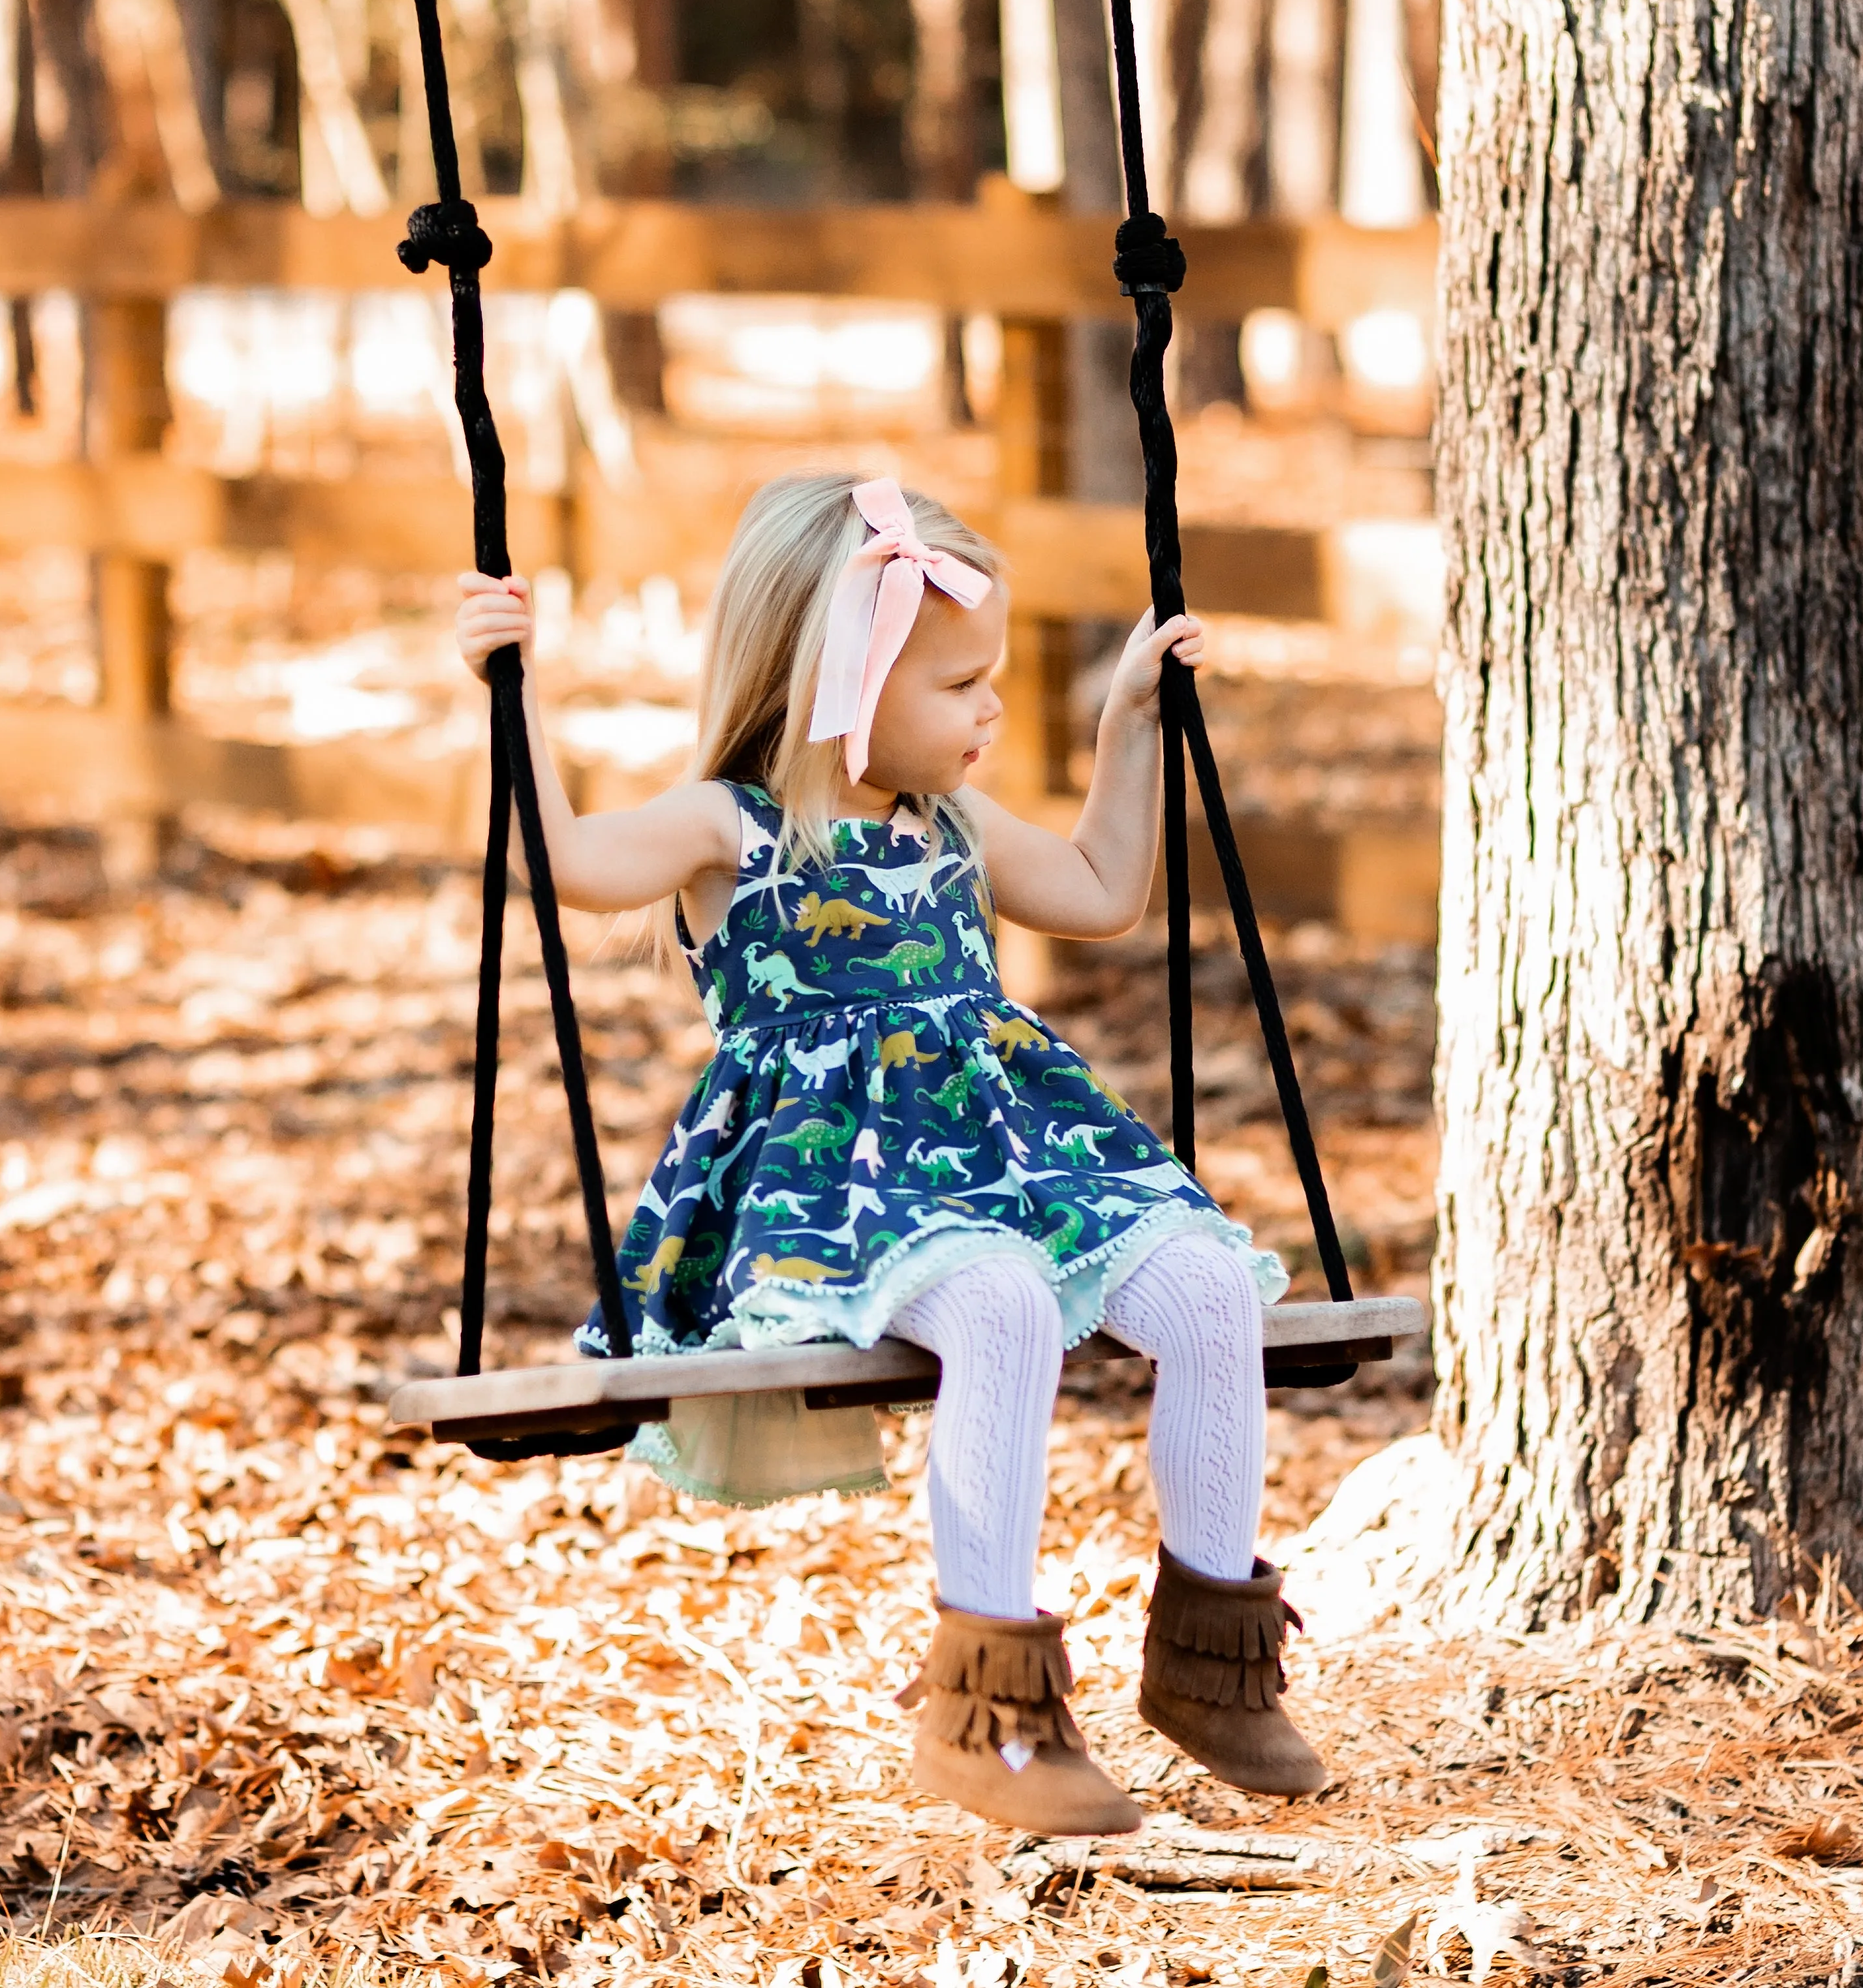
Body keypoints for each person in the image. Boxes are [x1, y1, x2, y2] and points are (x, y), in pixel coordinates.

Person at [454, 473, 1325, 1837]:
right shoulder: (724, 829)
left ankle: (1212, 1664)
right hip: (837, 1191)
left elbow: (1103, 889)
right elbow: (562, 860)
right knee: (999, 1306)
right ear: (845, 676)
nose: (988, 709)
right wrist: (511, 696)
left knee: (1212, 1288)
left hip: (1019, 1156)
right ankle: (992, 1713)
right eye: (960, 683)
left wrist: (1128, 727)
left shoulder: (957, 831)